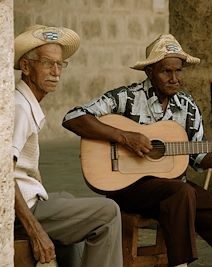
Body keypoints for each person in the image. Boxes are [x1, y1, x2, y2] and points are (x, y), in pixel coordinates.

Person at [62, 34, 212, 267]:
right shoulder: (127, 97)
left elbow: (198, 157)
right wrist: (125, 137)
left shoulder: (187, 106)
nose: (174, 78)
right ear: (149, 72)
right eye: (166, 72)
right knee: (181, 192)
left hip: (174, 189)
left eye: (178, 71)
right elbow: (74, 117)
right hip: (128, 185)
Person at [13, 25, 123, 267]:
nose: (56, 72)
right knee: (108, 212)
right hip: (20, 211)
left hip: (32, 199)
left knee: (68, 199)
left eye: (60, 64)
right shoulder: (19, 107)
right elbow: (3, 175)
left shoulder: (25, 102)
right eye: (47, 64)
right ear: (26, 67)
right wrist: (36, 231)